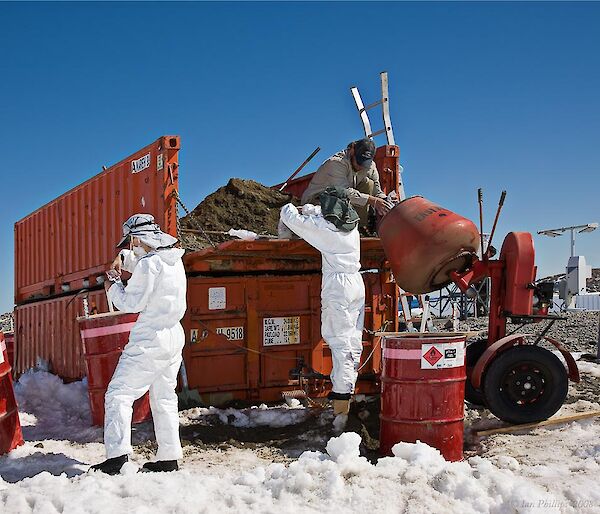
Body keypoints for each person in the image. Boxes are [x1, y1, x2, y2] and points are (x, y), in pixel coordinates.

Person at [91, 214, 187, 475]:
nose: (131, 246)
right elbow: (146, 265)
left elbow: (131, 303)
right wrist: (124, 259)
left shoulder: (148, 266)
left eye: (131, 243)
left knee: (118, 394)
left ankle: (116, 458)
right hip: (174, 335)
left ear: (136, 238)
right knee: (165, 397)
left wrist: (112, 286)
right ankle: (169, 458)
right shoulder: (173, 260)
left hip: (150, 339)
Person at [279, 188, 365, 425]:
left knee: (338, 342)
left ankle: (341, 403)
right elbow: (322, 217)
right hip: (357, 283)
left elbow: (292, 219)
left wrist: (290, 206)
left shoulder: (326, 232)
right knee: (352, 342)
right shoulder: (351, 225)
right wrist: (313, 210)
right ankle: (346, 390)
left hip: (338, 286)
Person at [300, 138, 393, 227]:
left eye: (364, 164)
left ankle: (360, 226)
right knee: (343, 197)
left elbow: (377, 189)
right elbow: (343, 192)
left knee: (369, 183)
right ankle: (343, 226)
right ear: (352, 151)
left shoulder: (370, 166)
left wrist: (385, 200)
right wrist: (373, 201)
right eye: (359, 162)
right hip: (318, 200)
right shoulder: (336, 163)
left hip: (343, 200)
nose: (361, 167)